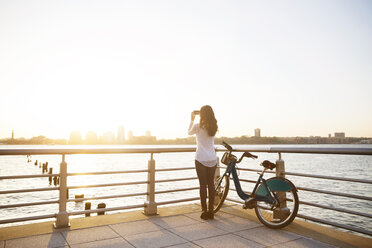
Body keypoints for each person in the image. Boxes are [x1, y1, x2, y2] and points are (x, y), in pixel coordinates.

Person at [188, 105, 218, 220]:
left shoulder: (198, 126)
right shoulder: (214, 127)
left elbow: (188, 132)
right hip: (212, 158)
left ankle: (204, 210)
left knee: (202, 185)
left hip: (201, 158)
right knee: (211, 185)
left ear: (202, 114)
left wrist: (191, 119)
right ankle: (211, 211)